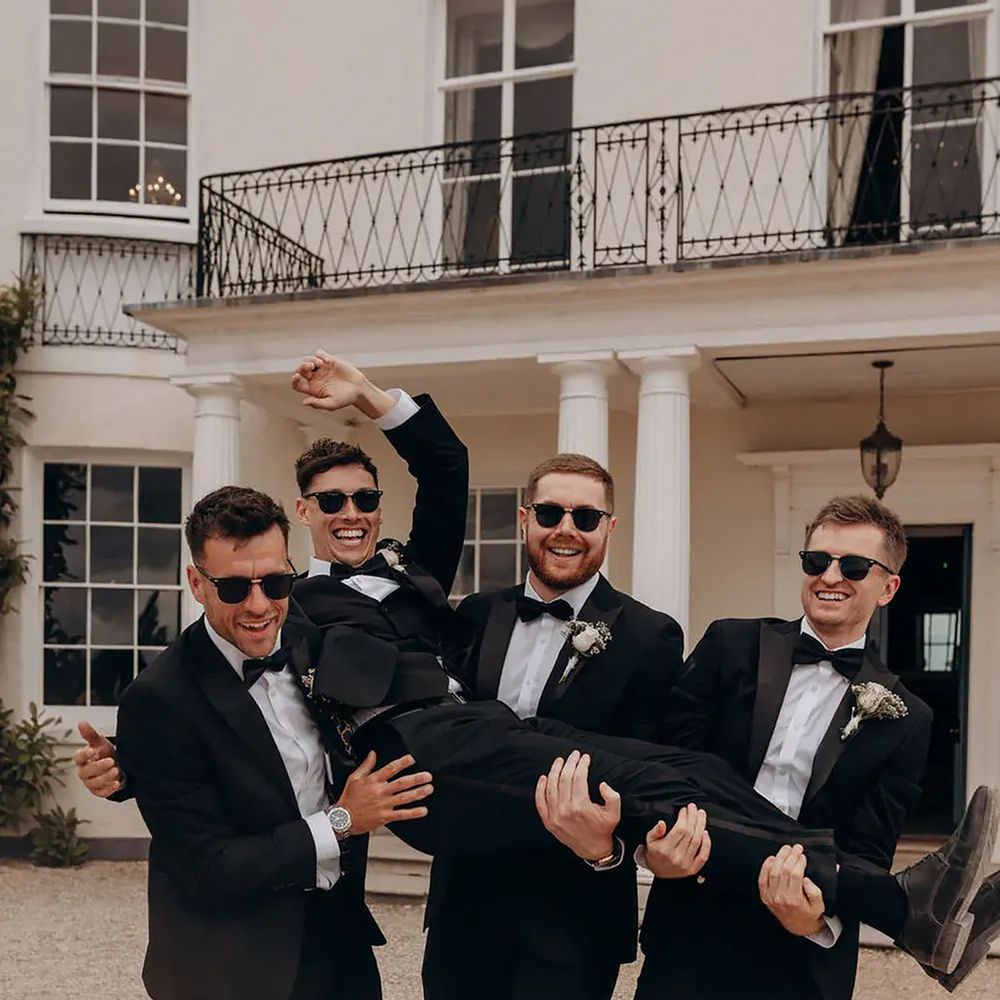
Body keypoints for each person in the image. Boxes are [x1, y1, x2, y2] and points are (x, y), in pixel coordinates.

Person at [113, 487, 435, 1000]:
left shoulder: (308, 636)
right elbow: (206, 866)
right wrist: (344, 820)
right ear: (197, 583)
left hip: (340, 943)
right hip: (231, 965)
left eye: (277, 581)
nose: (261, 606)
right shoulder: (158, 699)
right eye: (235, 588)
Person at [631, 495, 933, 1000]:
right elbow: (665, 764)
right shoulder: (730, 646)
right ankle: (920, 910)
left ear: (888, 587)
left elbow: (870, 850)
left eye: (854, 566)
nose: (830, 577)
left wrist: (813, 918)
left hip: (800, 952)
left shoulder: (906, 716)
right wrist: (652, 849)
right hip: (693, 922)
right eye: (817, 561)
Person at [421, 454, 685, 1000]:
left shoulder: (649, 636)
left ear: (609, 527)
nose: (566, 530)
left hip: (573, 920)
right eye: (549, 513)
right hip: (462, 909)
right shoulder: (474, 614)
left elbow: (645, 768)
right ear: (525, 519)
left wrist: (608, 851)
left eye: (586, 518)